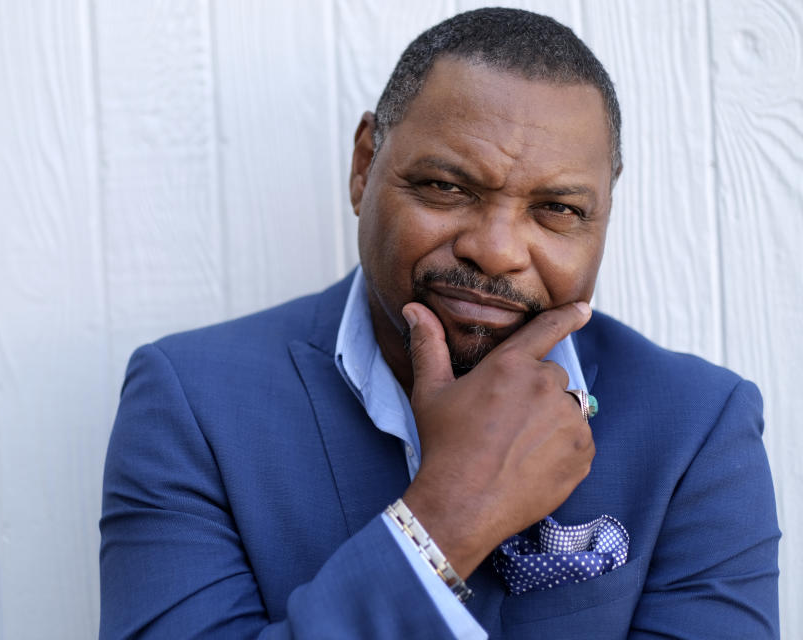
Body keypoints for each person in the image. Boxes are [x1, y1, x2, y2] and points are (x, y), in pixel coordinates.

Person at [99, 8, 779, 639]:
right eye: (447, 187)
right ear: (365, 165)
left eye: (558, 209)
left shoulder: (698, 427)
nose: (498, 248)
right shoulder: (191, 403)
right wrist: (446, 520)